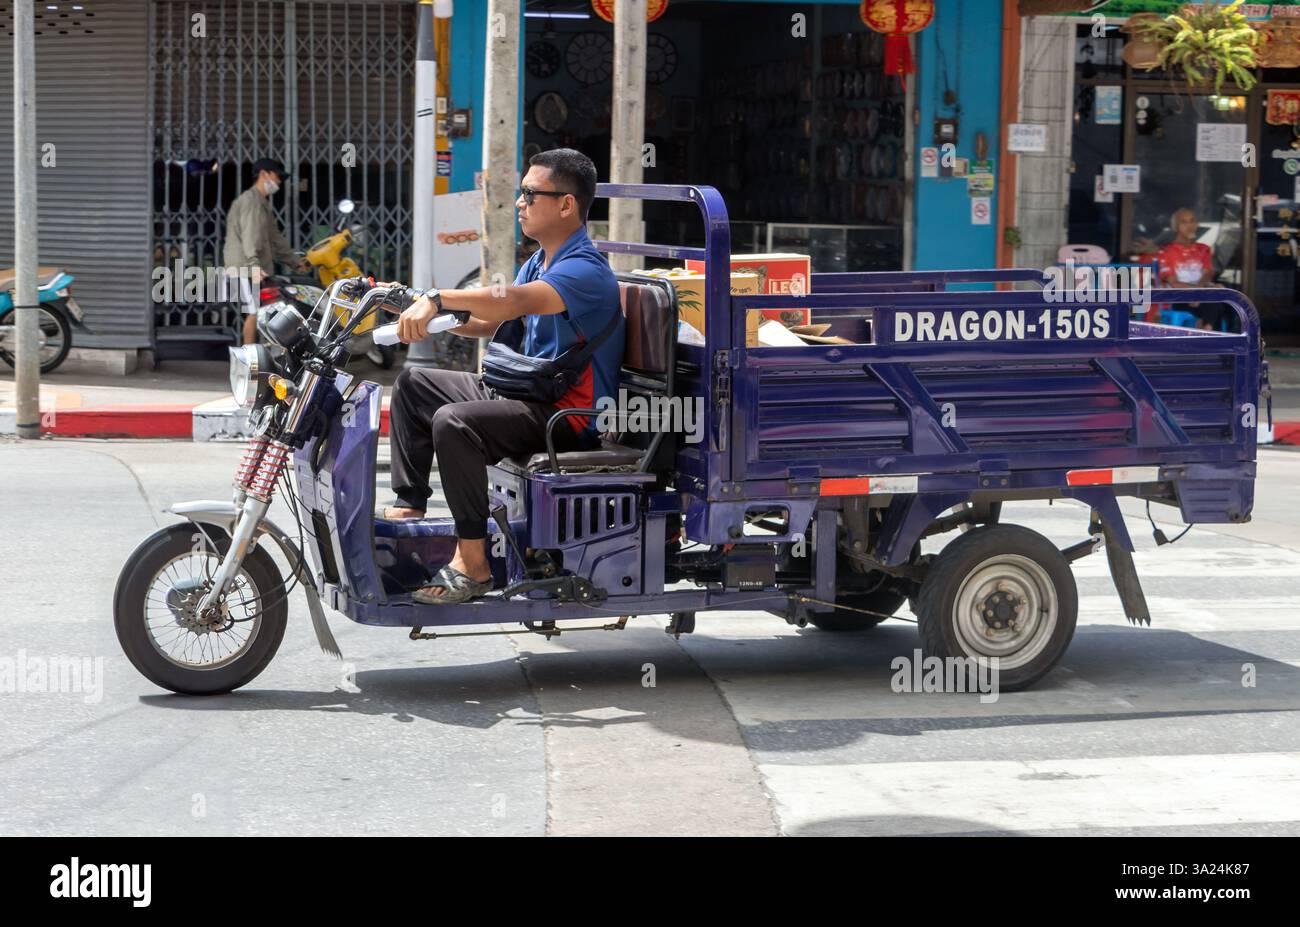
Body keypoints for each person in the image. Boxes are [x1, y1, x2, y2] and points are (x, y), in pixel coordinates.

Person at [385, 147, 625, 604]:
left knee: (455, 422)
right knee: (415, 385)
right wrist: (418, 307)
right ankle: (409, 503)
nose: (520, 203)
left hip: (565, 417)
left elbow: (510, 301)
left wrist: (436, 297)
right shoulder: (540, 260)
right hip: (525, 389)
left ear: (566, 204)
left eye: (530, 194)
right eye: (521, 194)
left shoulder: (584, 272)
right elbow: (493, 323)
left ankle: (474, 565)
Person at [222, 157, 308, 345]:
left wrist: (294, 261)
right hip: (245, 267)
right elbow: (250, 235)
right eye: (277, 176)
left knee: (266, 312)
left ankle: (265, 356)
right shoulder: (251, 202)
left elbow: (274, 237)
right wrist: (253, 265)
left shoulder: (262, 203)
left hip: (254, 267)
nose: (278, 181)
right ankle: (250, 361)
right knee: (254, 312)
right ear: (264, 174)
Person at [1155, 207, 1225, 330]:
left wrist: (1199, 292)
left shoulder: (1203, 249)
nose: (1190, 225)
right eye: (1184, 222)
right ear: (1175, 227)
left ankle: (1208, 330)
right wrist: (1198, 292)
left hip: (1201, 295)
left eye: (1192, 221)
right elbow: (1174, 283)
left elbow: (1207, 273)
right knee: (1213, 300)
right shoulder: (1166, 251)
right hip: (1179, 298)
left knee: (1229, 300)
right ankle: (1208, 333)